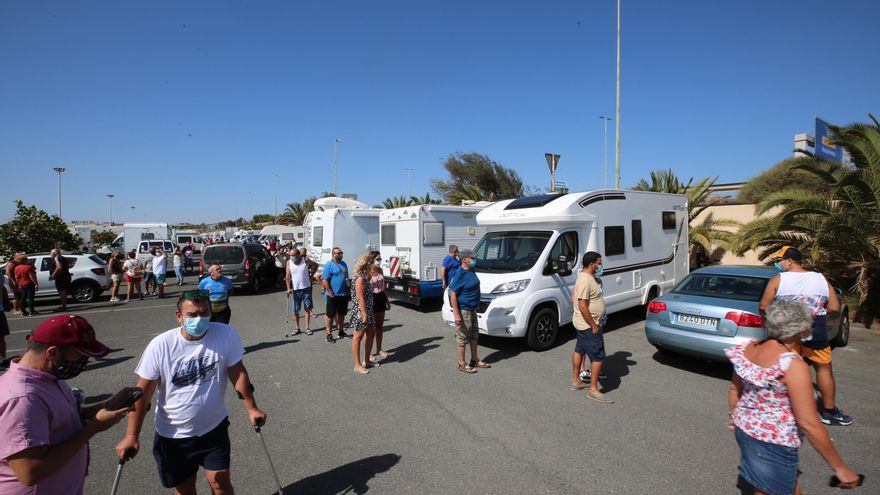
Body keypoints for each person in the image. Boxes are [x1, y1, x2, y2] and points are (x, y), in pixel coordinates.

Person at [115, 291, 267, 495]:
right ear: (179, 316)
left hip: (213, 427)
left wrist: (252, 408)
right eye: (192, 314)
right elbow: (141, 394)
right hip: (174, 434)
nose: (199, 319)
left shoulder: (225, 334)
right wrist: (131, 435)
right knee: (185, 487)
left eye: (204, 313)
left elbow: (238, 373)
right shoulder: (161, 345)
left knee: (220, 482)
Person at [726, 300, 861, 494]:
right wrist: (839, 467)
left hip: (744, 429)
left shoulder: (747, 349)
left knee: (770, 485)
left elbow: (734, 390)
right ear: (802, 331)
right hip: (772, 442)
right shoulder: (792, 365)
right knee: (768, 489)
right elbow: (808, 423)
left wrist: (734, 418)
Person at [0, 314, 134, 494]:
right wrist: (94, 427)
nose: (84, 363)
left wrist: (106, 405)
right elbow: (30, 472)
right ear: (52, 353)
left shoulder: (48, 377)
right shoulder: (22, 398)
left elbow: (60, 421)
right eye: (81, 356)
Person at [758, 246, 851, 426]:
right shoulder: (820, 279)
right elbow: (833, 307)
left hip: (787, 330)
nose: (778, 264)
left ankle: (778, 408)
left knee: (782, 368)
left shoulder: (779, 279)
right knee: (823, 369)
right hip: (814, 329)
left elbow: (763, 306)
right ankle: (830, 412)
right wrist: (812, 311)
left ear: (790, 261)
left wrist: (771, 321)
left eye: (780, 260)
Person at [571, 251, 612, 403]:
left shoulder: (587, 278)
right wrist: (593, 325)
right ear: (591, 264)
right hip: (588, 325)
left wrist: (596, 280)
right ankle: (593, 389)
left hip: (582, 324)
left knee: (579, 350)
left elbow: (574, 296)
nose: (600, 266)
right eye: (599, 263)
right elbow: (582, 305)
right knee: (598, 356)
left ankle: (576, 381)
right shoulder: (585, 280)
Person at [448, 249, 489, 374]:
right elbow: (453, 294)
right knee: (463, 337)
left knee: (474, 335)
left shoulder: (471, 270)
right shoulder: (460, 273)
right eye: (472, 258)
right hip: (464, 310)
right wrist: (456, 314)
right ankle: (461, 363)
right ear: (464, 259)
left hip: (472, 309)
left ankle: (474, 360)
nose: (474, 260)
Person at [321, 247, 351, 344]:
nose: (340, 255)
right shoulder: (329, 265)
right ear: (333, 254)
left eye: (341, 253)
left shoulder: (344, 264)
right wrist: (330, 292)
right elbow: (324, 280)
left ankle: (341, 331)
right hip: (333, 295)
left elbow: (346, 278)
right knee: (330, 315)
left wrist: (348, 290)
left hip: (343, 294)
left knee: (342, 314)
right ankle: (329, 334)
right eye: (338, 253)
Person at [368, 252, 391, 359]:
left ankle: (379, 349)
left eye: (380, 258)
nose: (379, 260)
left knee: (379, 327)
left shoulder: (380, 270)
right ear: (372, 259)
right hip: (372, 298)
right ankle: (368, 353)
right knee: (370, 328)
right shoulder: (367, 272)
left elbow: (384, 286)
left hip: (381, 298)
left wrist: (387, 300)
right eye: (378, 259)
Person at [286, 250, 314, 335]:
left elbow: (315, 265)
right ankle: (297, 328)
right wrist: (288, 288)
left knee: (307, 308)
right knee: (295, 310)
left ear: (299, 255)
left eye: (293, 255)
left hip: (306, 288)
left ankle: (307, 328)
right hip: (296, 289)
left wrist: (311, 275)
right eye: (290, 255)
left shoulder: (305, 260)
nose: (292, 257)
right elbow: (287, 276)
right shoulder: (289, 262)